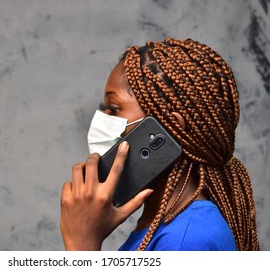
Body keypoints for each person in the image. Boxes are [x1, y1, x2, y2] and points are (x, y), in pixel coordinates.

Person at [60, 38, 259, 251]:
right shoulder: (169, 227)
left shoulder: (187, 240)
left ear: (170, 127)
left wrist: (81, 245)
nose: (101, 119)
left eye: (114, 108)